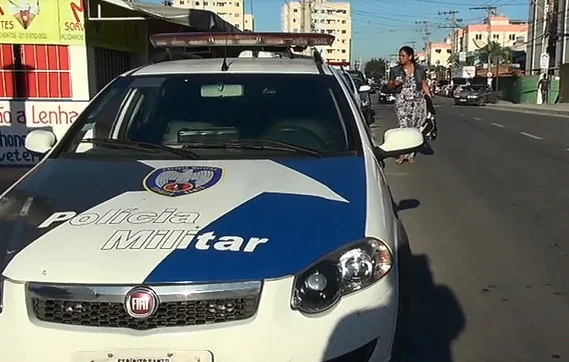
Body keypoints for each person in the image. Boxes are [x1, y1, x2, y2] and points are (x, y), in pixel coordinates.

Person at [387, 46, 432, 164]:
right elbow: (389, 85)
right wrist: (395, 83)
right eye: (399, 56)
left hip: (417, 102)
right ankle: (402, 154)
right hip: (402, 101)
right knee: (403, 127)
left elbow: (423, 84)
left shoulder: (420, 70)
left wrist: (429, 98)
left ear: (410, 57)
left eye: (403, 56)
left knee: (414, 128)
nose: (400, 58)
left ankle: (411, 154)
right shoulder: (396, 70)